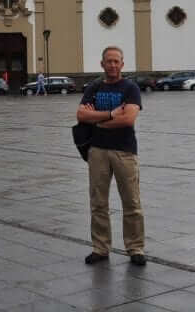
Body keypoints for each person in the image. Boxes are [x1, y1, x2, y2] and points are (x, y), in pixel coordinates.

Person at [76, 46, 145, 267]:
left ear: (122, 64)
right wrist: (110, 114)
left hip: (125, 151)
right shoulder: (94, 87)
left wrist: (97, 120)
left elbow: (128, 119)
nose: (113, 65)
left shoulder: (130, 88)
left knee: (132, 203)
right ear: (102, 64)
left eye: (116, 61)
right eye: (109, 61)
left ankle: (135, 248)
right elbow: (80, 114)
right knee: (98, 202)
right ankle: (100, 247)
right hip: (97, 151)